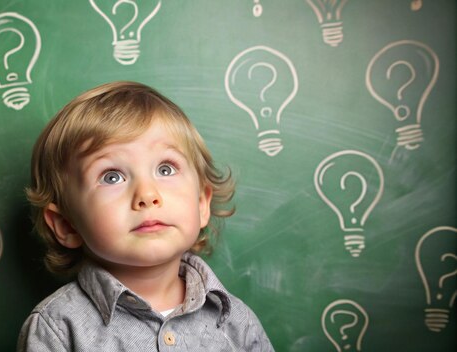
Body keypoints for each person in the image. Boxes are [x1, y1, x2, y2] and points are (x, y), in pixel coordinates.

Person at [18, 81, 273, 351]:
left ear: (201, 204)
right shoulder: (57, 329)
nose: (147, 195)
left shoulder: (237, 324)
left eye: (165, 169)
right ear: (66, 225)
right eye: (112, 176)